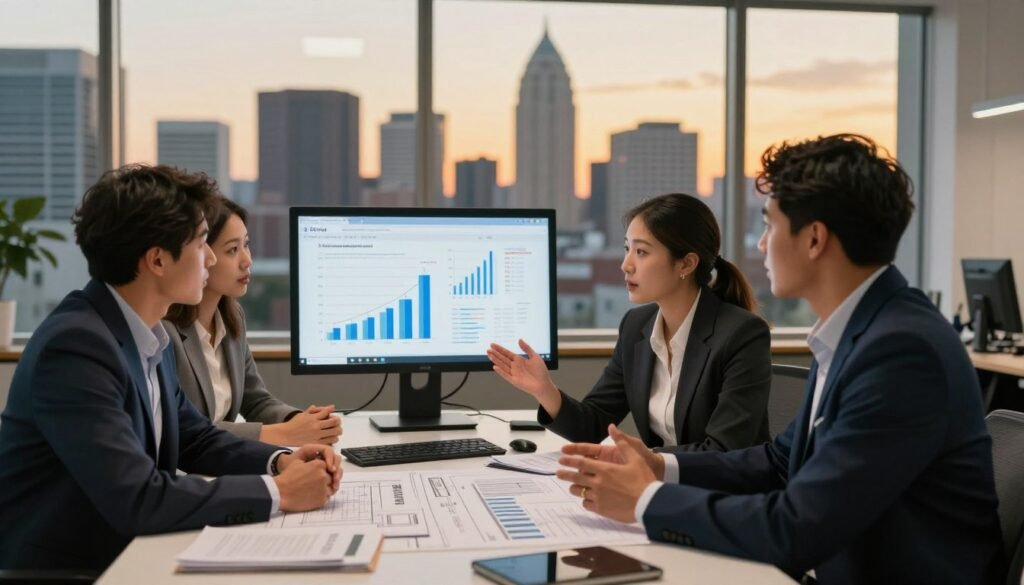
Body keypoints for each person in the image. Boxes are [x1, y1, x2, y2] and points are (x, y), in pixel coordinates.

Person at [556, 134, 1004, 584]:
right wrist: (660, 466)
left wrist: (645, 501)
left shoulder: (901, 353)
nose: (762, 244)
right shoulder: (859, 333)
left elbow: (796, 527)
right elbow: (777, 461)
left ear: (813, 239)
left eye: (769, 226)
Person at [0, 165, 342, 572]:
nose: (212, 258)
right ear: (158, 260)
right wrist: (278, 492)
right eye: (202, 243)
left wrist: (280, 461)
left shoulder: (147, 336)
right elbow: (137, 497)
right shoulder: (76, 348)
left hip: (127, 554)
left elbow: (194, 439)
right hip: (71, 570)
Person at [488, 193, 771, 452]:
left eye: (642, 252)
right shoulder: (637, 326)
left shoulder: (741, 335)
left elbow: (725, 450)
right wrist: (544, 390)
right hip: (664, 489)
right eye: (627, 249)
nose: (626, 264)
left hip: (726, 497)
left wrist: (639, 460)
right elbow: (592, 425)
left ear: (686, 264)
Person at [164, 196, 342, 445]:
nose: (248, 260)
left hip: (227, 465)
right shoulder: (164, 332)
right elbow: (189, 431)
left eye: (246, 245)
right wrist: (283, 434)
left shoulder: (232, 317)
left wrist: (299, 421)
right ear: (201, 254)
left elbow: (256, 401)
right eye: (232, 250)